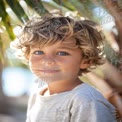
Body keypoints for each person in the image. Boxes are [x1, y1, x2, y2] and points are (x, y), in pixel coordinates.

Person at [11, 14, 117, 122]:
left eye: (62, 53)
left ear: (86, 61)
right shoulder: (36, 97)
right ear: (28, 56)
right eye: (38, 52)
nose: (48, 61)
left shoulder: (86, 101)